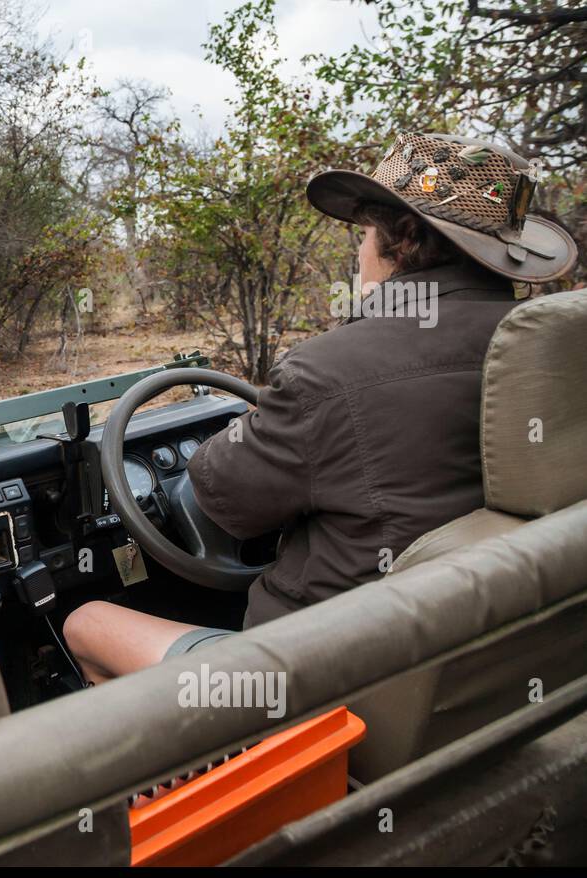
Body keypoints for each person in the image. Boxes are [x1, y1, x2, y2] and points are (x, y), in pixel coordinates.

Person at [64, 131, 578, 685]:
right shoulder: (551, 345)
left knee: (86, 621)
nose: (358, 253)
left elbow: (220, 499)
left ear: (399, 239)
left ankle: (211, 765)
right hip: (490, 652)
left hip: (321, 672)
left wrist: (258, 430)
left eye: (363, 235)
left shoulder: (328, 372)